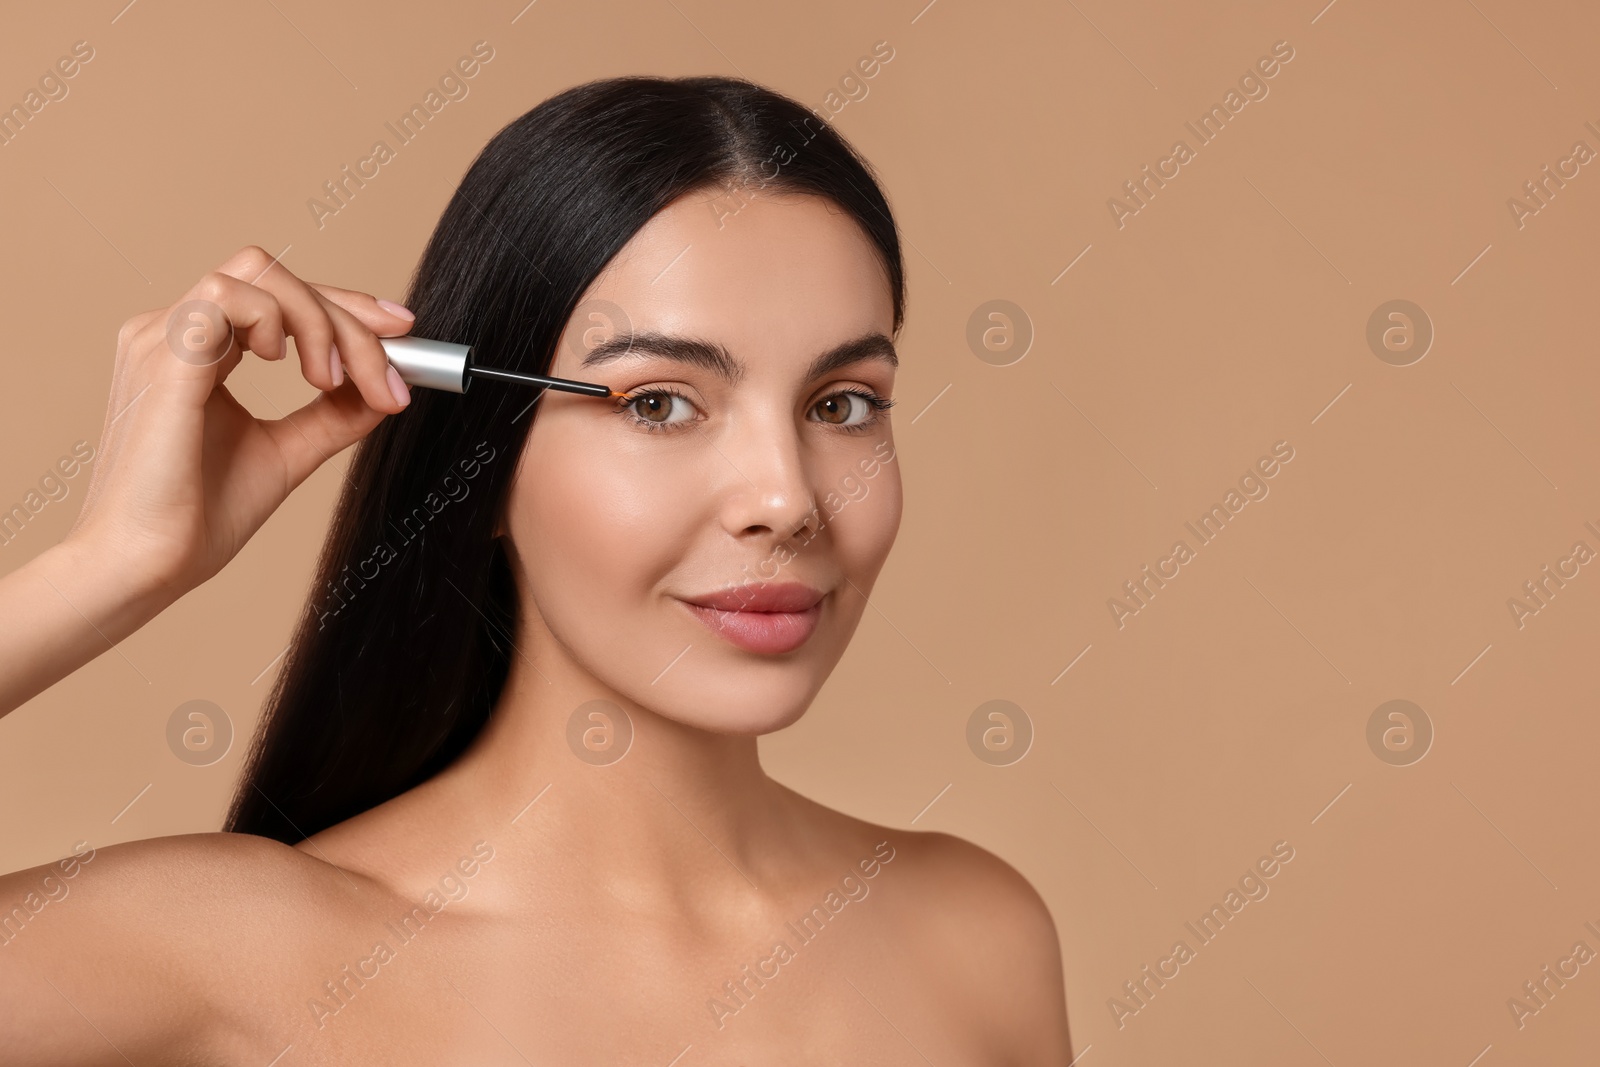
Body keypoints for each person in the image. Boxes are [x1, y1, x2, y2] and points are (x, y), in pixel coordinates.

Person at [0, 75, 1071, 1062]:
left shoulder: (975, 936)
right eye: (658, 402)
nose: (787, 499)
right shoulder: (233, 949)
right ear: (487, 463)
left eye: (842, 404)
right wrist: (110, 566)